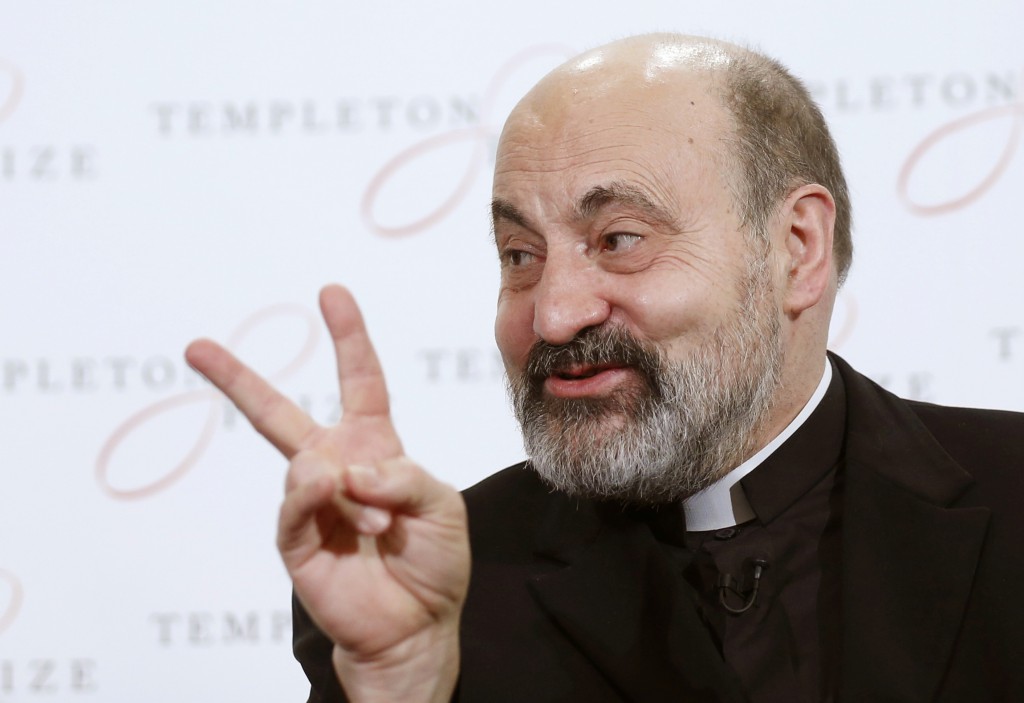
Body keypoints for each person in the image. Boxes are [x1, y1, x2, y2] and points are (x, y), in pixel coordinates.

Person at [185, 34, 1024, 702]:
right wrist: (402, 686)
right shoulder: (433, 589)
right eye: (519, 253)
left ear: (795, 250)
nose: (552, 313)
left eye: (619, 240)